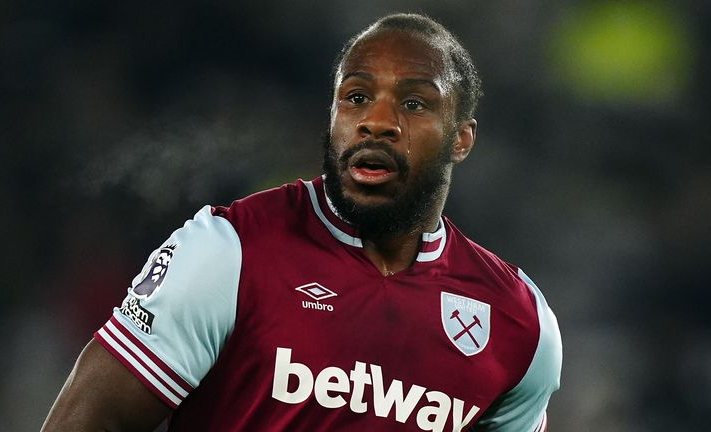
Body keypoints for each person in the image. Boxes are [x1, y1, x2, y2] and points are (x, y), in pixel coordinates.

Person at [43, 13, 562, 432]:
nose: (376, 120)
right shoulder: (229, 253)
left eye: (413, 103)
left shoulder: (520, 326)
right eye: (356, 97)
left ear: (461, 138)